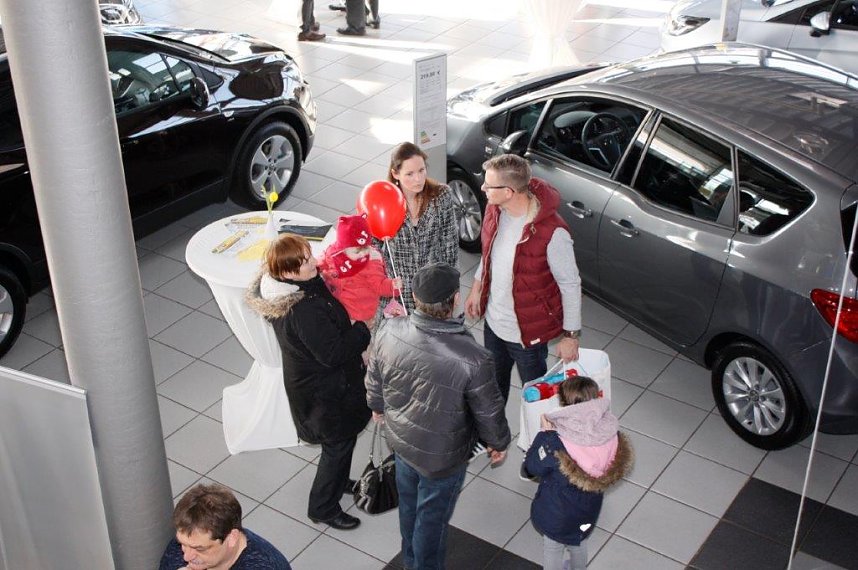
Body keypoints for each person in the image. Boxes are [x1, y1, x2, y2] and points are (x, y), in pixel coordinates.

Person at [366, 262, 511, 570]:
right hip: (443, 458)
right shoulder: (473, 356)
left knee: (409, 508)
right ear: (455, 300)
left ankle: (409, 562)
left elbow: (374, 377)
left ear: (416, 298)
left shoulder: (390, 328)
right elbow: (489, 409)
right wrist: (498, 442)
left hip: (402, 442)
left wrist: (377, 406)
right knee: (432, 521)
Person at [246, 234, 370, 530]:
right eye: (305, 262)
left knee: (342, 440)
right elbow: (333, 353)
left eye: (309, 255)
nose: (314, 262)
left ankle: (338, 482)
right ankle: (323, 507)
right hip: (324, 395)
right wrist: (361, 331)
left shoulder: (289, 291)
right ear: (287, 273)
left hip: (319, 387)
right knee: (337, 445)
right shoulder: (303, 311)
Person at [464, 153, 583, 405]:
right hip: (494, 325)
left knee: (537, 397)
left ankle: (540, 440)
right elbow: (488, 256)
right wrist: (477, 287)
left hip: (528, 336)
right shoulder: (494, 211)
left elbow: (570, 285)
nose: (483, 188)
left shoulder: (553, 232)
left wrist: (571, 336)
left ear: (508, 191)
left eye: (489, 185)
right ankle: (492, 440)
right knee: (493, 390)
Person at [522, 377, 632, 570]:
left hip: (556, 512)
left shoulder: (555, 443)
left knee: (552, 548)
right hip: (588, 510)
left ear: (564, 404)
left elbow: (532, 468)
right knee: (578, 542)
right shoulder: (611, 433)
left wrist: (544, 434)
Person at [376, 141, 459, 315]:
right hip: (398, 290)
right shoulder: (384, 202)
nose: (418, 179)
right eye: (410, 174)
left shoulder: (441, 196)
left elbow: (449, 246)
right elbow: (374, 248)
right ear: (395, 174)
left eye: (421, 170)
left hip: (433, 290)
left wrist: (452, 288)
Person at [159, 483, 291, 569]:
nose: (186, 556)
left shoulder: (264, 566)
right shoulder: (179, 549)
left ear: (232, 537)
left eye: (199, 549)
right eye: (182, 544)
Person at [317, 214, 402, 324]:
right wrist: (316, 266)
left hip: (359, 312)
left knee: (358, 335)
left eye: (366, 248)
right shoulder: (334, 253)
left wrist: (392, 286)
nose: (363, 254)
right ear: (343, 248)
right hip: (336, 303)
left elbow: (379, 285)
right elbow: (324, 260)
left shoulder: (371, 262)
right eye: (357, 251)